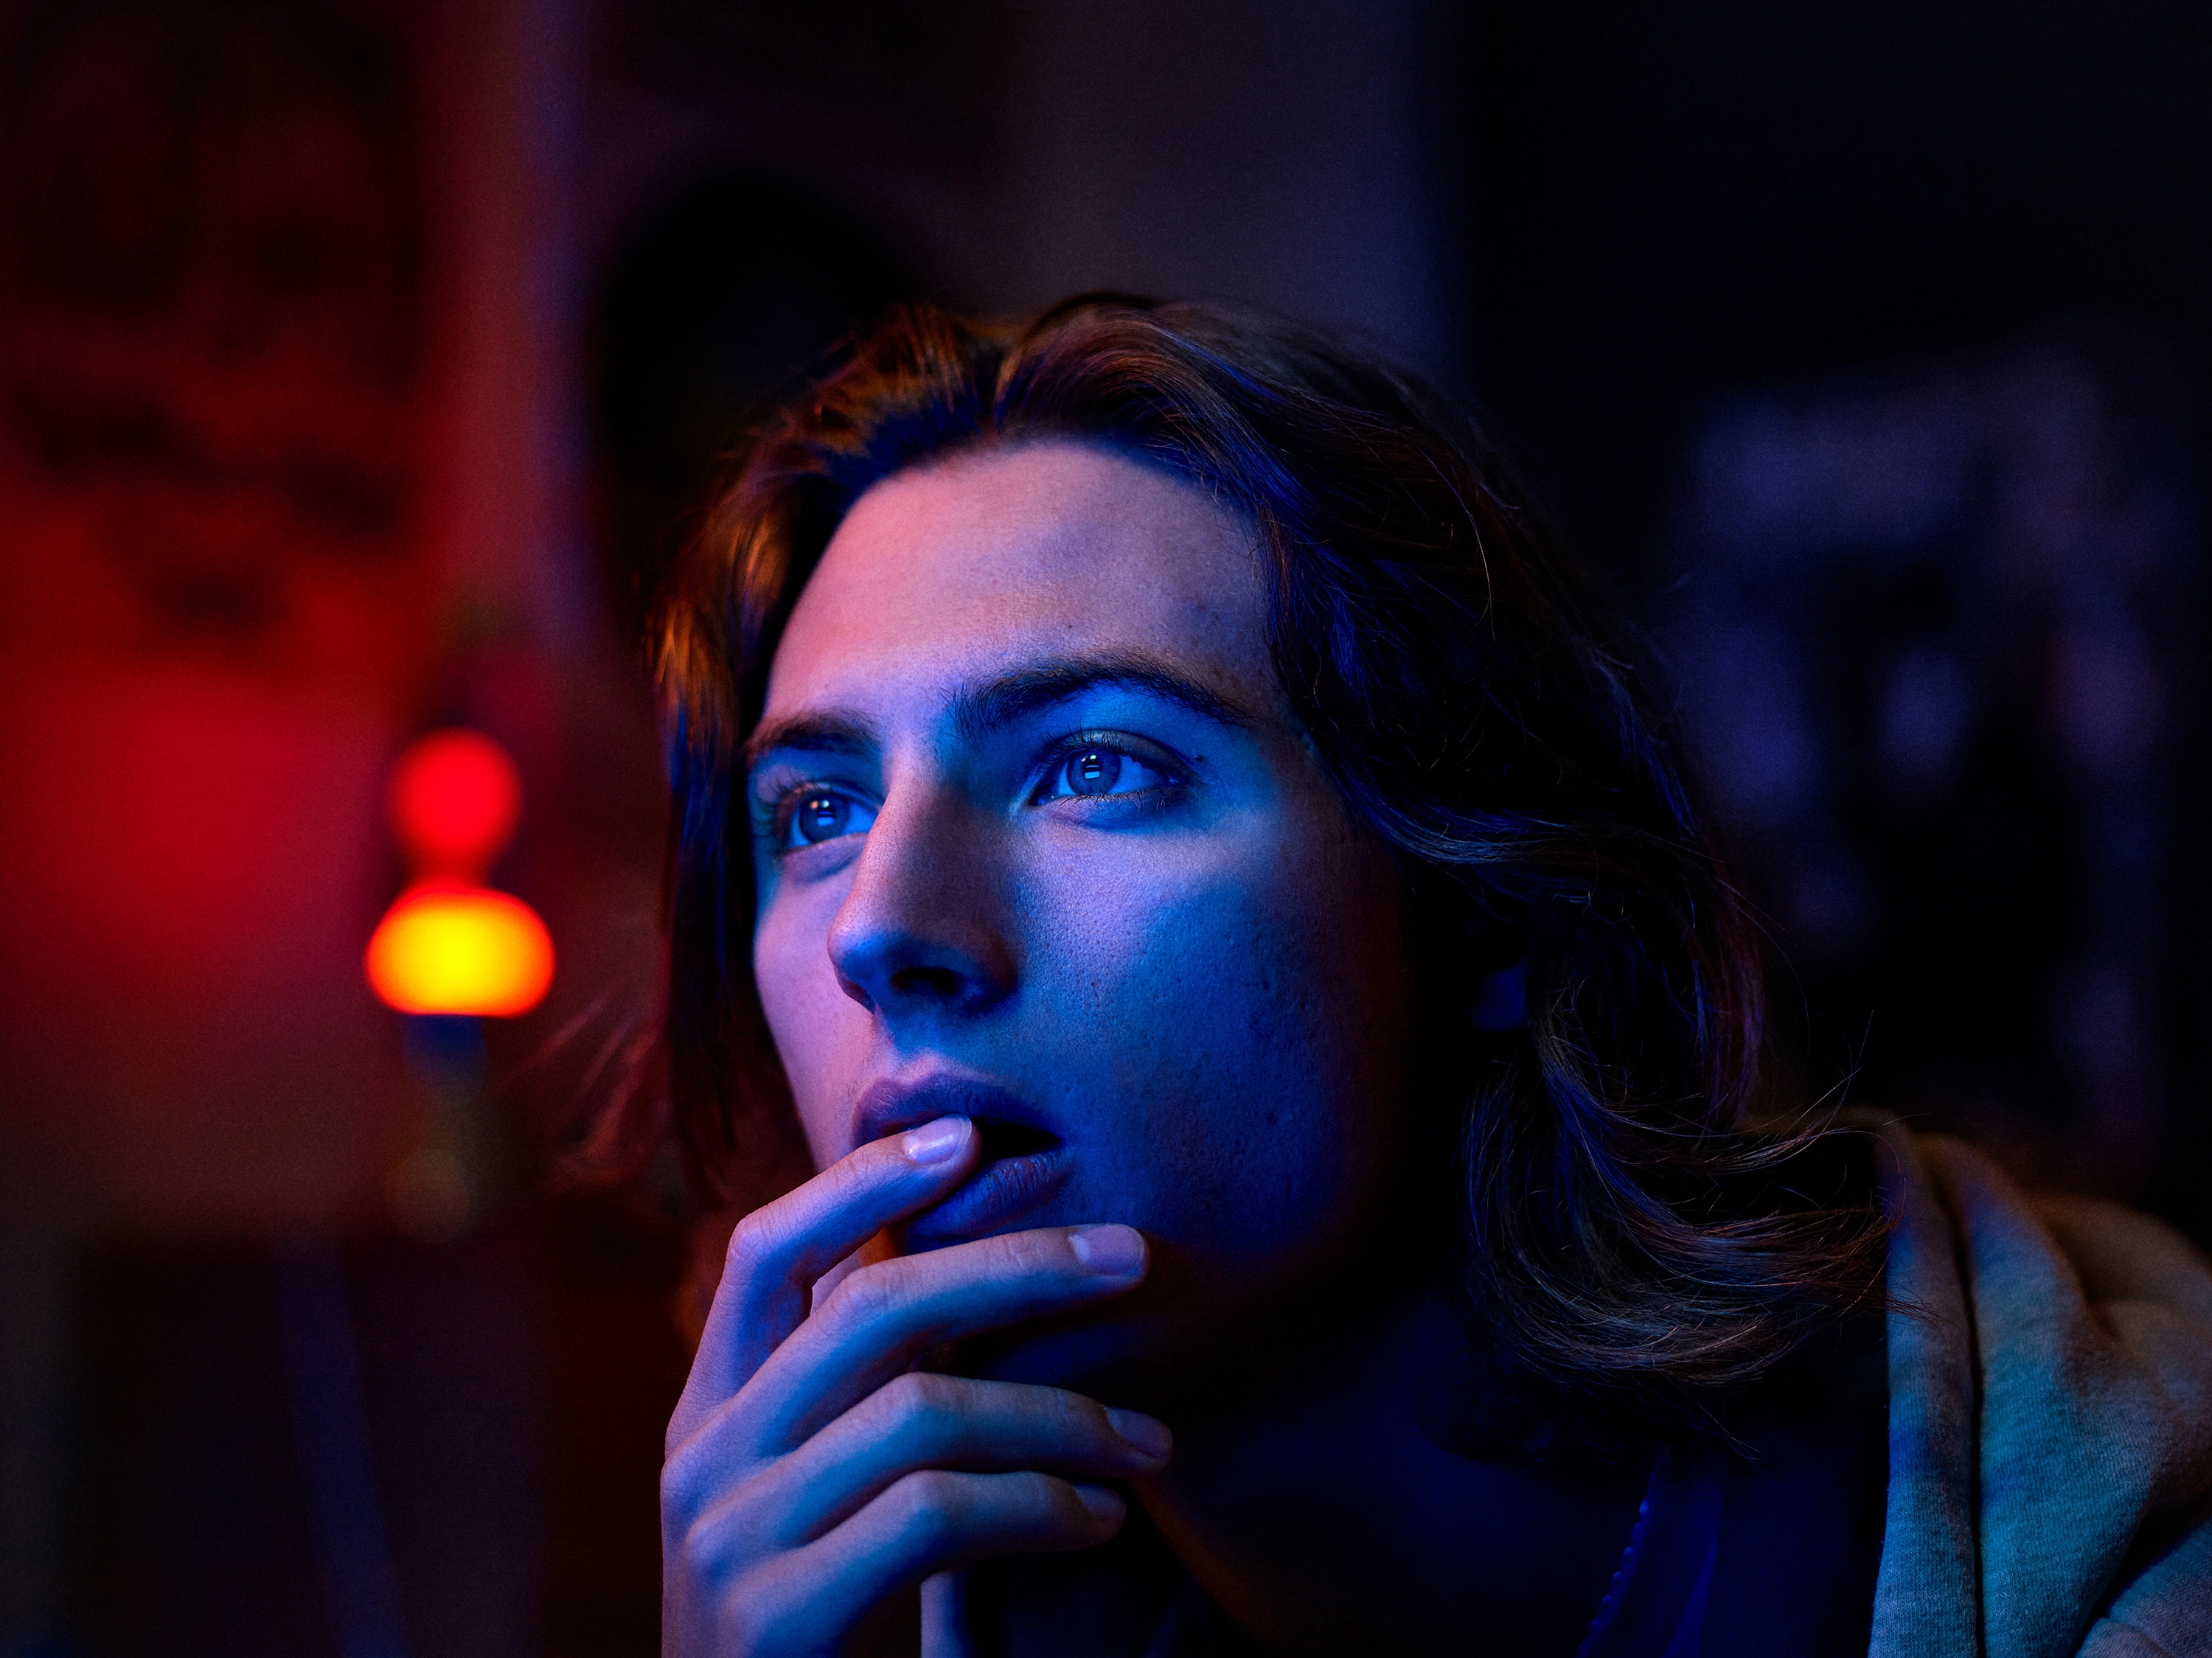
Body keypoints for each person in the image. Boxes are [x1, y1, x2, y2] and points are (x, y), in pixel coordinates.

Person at [619, 296, 2212, 1655]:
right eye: (817, 811)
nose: (877, 927)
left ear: (1491, 906)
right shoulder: (878, 1594)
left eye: (1095, 764)